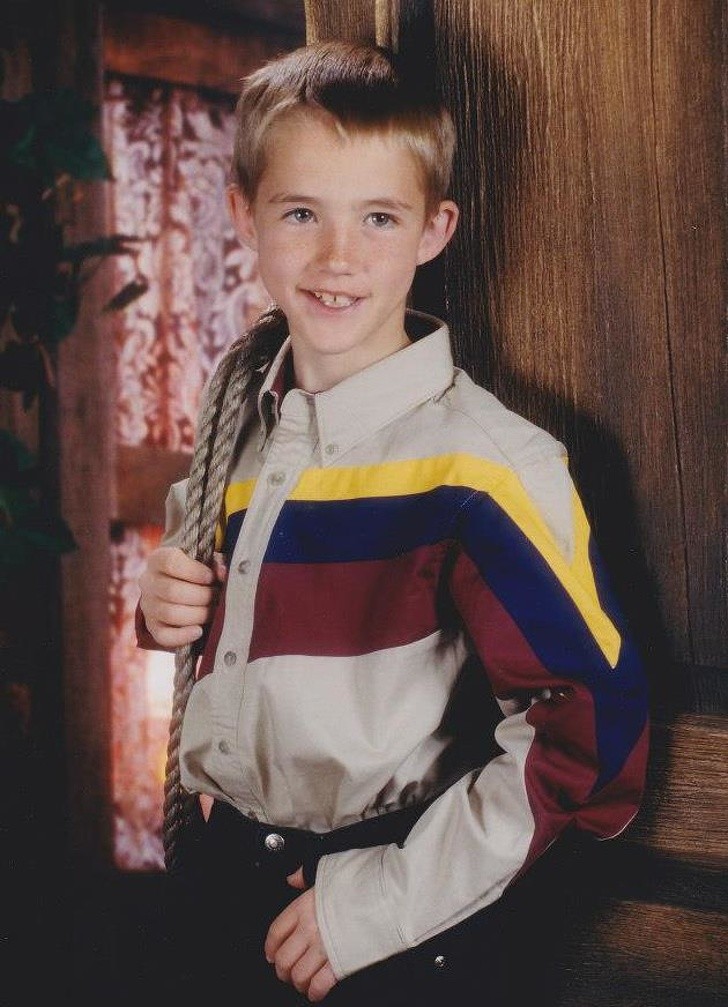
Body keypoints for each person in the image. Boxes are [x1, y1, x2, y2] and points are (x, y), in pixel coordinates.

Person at [137, 39, 649, 1006]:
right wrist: (164, 602)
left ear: (433, 228)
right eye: (301, 213)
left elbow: (593, 737)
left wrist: (374, 907)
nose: (338, 258)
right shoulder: (240, 431)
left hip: (380, 923)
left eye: (379, 216)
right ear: (245, 214)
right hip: (217, 888)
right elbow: (234, 634)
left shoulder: (486, 465)